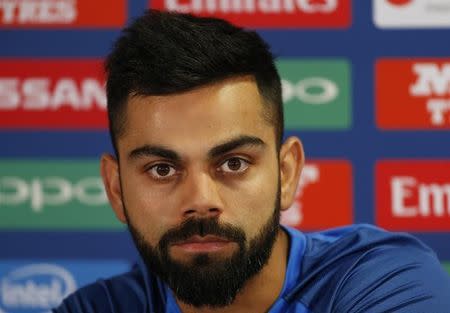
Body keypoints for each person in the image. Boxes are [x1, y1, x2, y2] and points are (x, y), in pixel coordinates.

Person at [53, 9, 450, 313]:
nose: (200, 199)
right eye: (162, 169)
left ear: (288, 172)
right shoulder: (97, 307)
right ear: (117, 189)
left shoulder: (383, 283)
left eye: (234, 163)